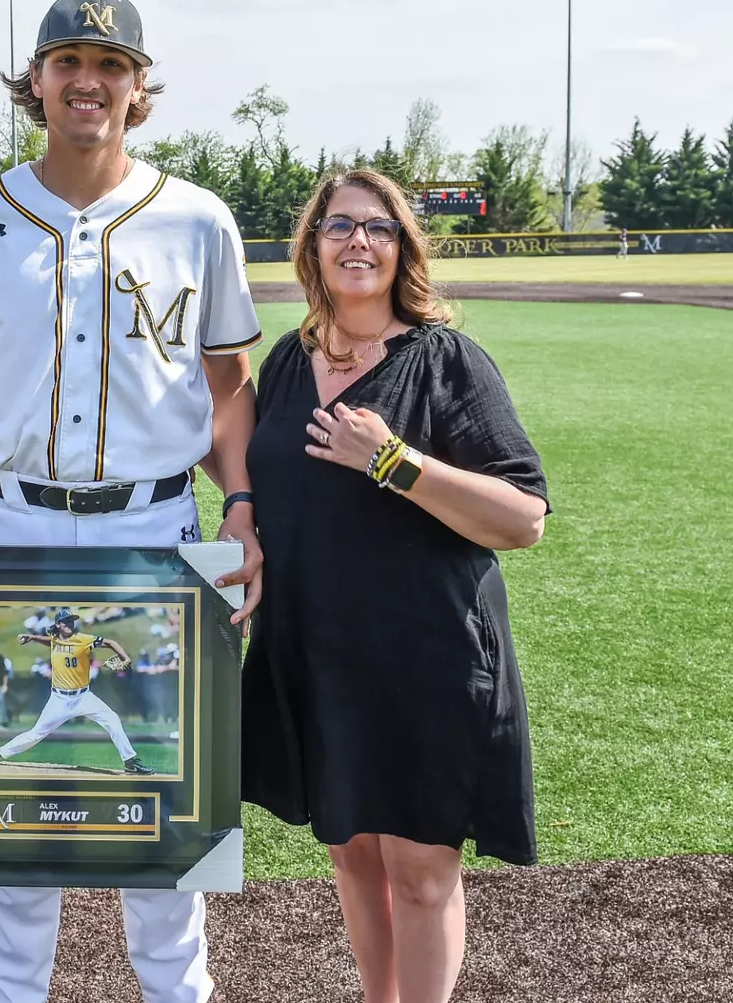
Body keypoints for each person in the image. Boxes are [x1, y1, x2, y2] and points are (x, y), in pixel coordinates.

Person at [0, 0, 263, 1003]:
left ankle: (177, 992)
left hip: (155, 519)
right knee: (16, 824)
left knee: (166, 812)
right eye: (66, 61)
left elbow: (230, 387)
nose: (87, 80)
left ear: (139, 88)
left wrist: (242, 506)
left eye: (110, 63)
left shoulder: (197, 217)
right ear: (36, 84)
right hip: (7, 518)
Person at [242, 168, 550, 1003]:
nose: (358, 243)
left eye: (378, 229)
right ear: (312, 246)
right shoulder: (286, 361)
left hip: (425, 648)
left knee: (418, 867)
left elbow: (522, 519)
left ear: (402, 247)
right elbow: (248, 467)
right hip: (315, 644)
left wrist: (391, 460)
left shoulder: (447, 360)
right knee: (351, 851)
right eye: (338, 227)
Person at [0, 609, 150, 773]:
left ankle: (130, 762)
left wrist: (125, 658)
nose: (69, 624)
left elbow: (111, 642)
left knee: (112, 719)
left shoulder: (83, 639)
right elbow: (50, 642)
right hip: (59, 699)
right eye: (65, 621)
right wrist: (32, 637)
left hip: (83, 696)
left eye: (71, 621)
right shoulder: (54, 639)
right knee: (34, 735)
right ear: (58, 624)